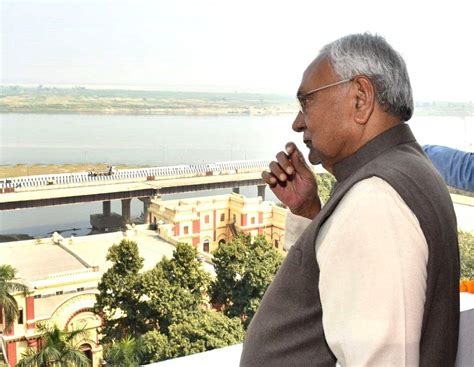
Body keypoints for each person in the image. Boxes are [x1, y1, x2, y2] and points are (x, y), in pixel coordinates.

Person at [240, 34, 459, 367]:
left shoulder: (376, 198)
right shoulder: (405, 169)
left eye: (306, 102)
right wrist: (311, 212)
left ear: (360, 98)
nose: (298, 122)